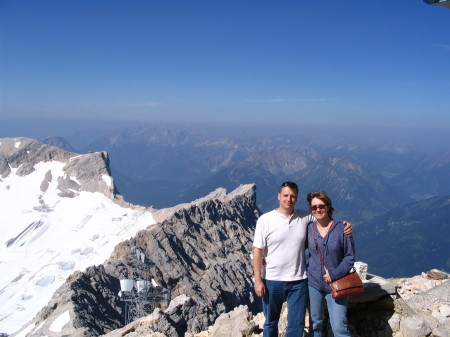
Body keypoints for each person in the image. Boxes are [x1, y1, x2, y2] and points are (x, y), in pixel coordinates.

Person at [253, 182, 352, 337]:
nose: (288, 199)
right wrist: (257, 280)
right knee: (270, 322)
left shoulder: (305, 217)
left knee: (296, 323)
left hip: (298, 280)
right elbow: (257, 250)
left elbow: (323, 218)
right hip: (271, 279)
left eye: (292, 196)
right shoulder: (265, 220)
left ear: (297, 198)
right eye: (285, 195)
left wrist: (343, 225)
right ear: (279, 196)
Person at [306, 191, 355, 337]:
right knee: (315, 323)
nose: (318, 210)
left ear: (328, 206)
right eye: (314, 207)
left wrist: (334, 274)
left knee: (339, 327)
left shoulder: (342, 229)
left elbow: (349, 257)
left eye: (321, 206)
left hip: (337, 284)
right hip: (313, 283)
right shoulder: (308, 229)